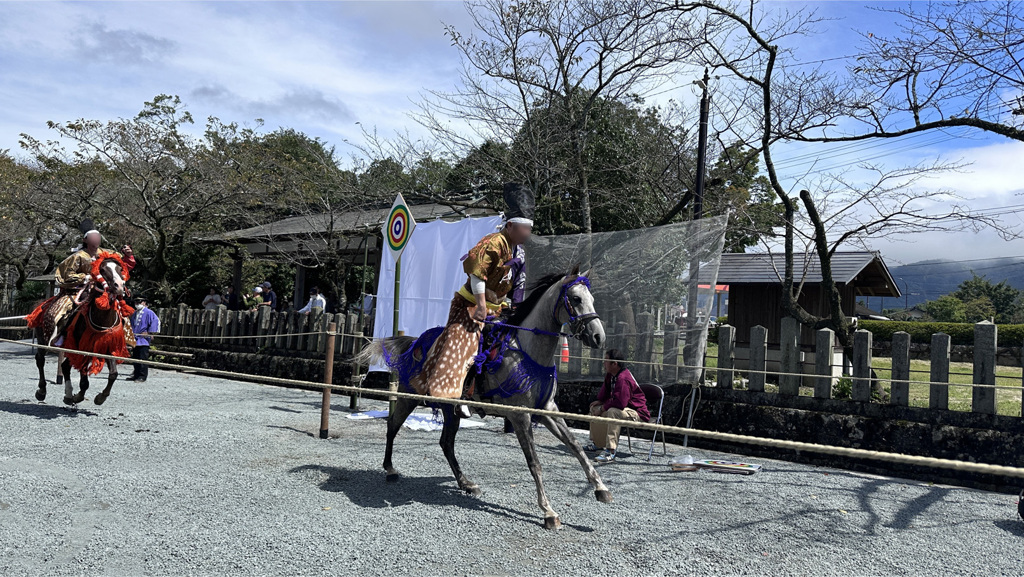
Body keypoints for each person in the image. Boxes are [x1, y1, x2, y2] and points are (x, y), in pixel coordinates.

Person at [406, 182, 534, 419]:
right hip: (470, 305)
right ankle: (460, 394)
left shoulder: (520, 252)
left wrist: (516, 309)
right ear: (510, 226)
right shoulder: (492, 242)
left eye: (530, 229)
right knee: (465, 345)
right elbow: (477, 274)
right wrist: (482, 305)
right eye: (524, 228)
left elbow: (519, 283)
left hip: (500, 308)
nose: (528, 233)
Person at [26, 219, 136, 344]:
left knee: (120, 310)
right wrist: (85, 277)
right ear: (85, 240)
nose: (96, 239)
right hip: (77, 290)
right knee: (56, 312)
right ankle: (59, 335)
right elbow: (64, 275)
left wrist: (128, 256)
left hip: (104, 289)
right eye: (93, 237)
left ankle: (123, 339)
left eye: (98, 237)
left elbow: (122, 266)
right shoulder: (77, 256)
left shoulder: (108, 253)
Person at [586, 349, 650, 463]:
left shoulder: (623, 378)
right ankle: (598, 443)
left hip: (636, 412)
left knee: (612, 412)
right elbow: (604, 394)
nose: (604, 363)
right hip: (622, 408)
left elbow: (620, 403)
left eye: (606, 361)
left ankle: (610, 451)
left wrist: (602, 408)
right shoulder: (610, 375)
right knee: (594, 409)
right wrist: (599, 403)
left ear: (614, 364)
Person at [126, 296, 160, 382]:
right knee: (135, 357)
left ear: (144, 302)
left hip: (143, 339)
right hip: (135, 338)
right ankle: (136, 374)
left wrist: (149, 332)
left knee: (143, 358)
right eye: (136, 302)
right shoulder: (134, 313)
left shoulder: (149, 312)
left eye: (139, 301)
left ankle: (142, 376)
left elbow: (155, 321)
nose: (137, 303)